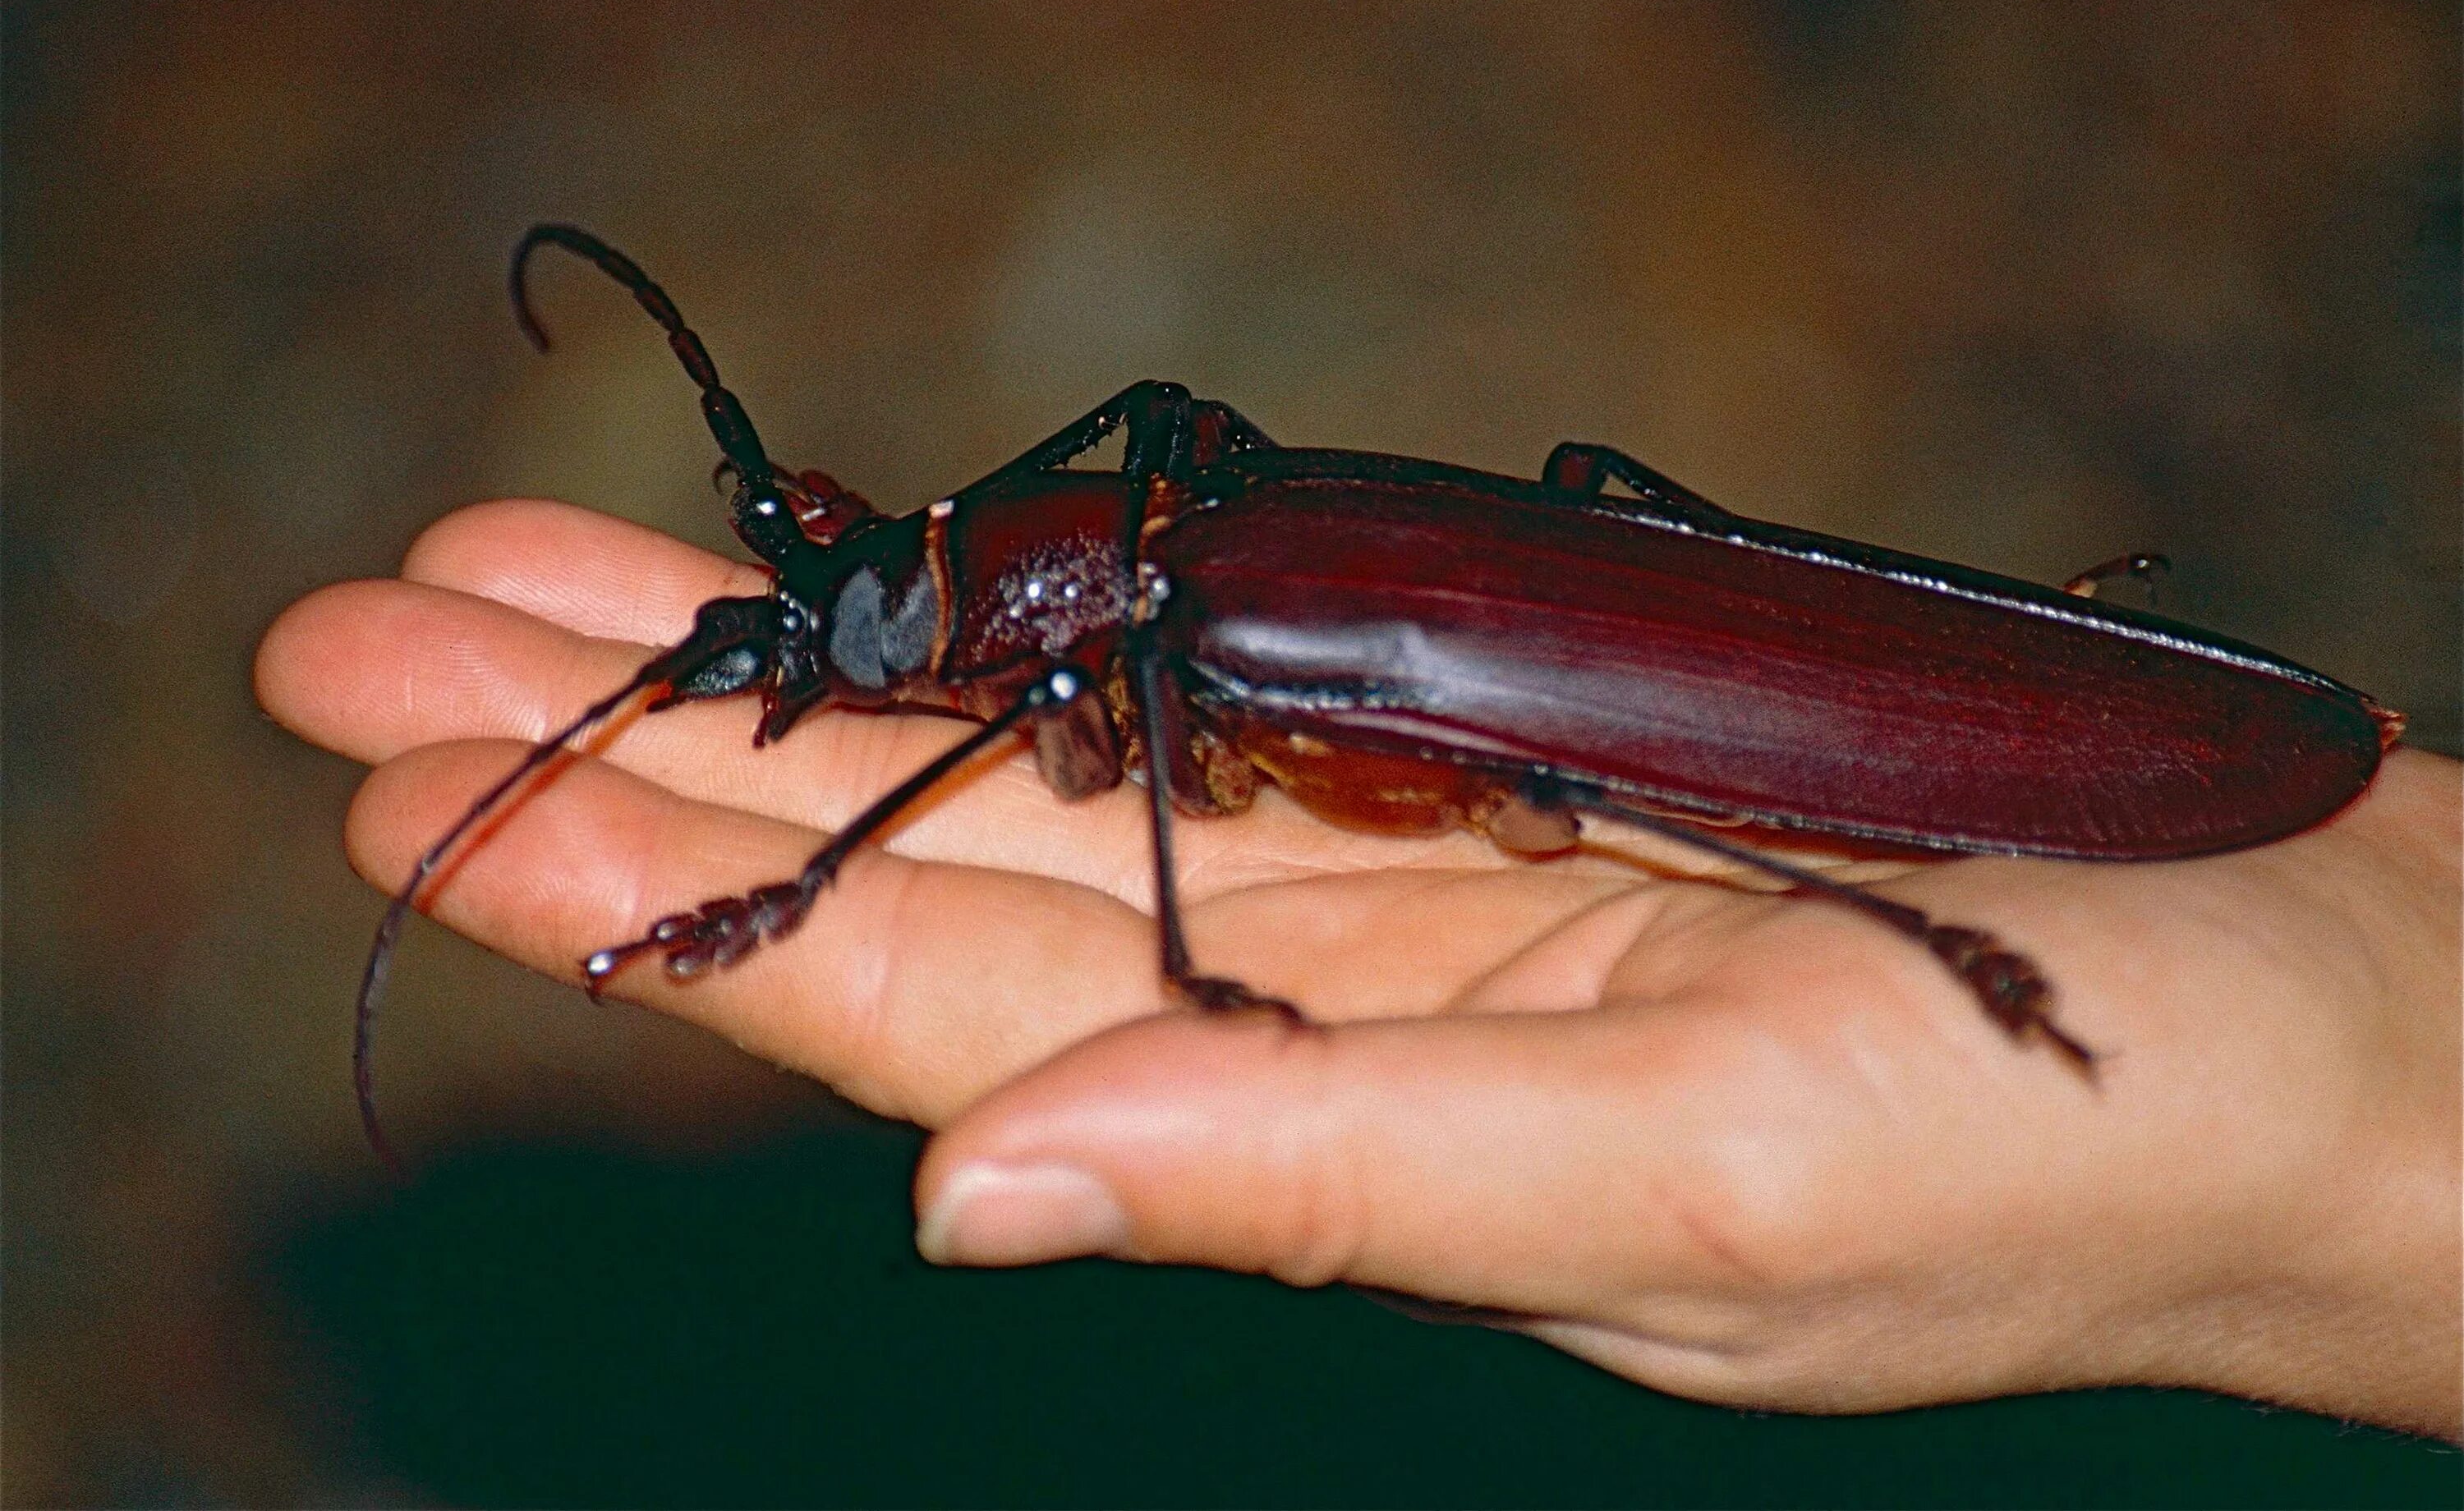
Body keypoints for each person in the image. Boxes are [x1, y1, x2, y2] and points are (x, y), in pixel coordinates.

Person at [255, 497, 2462, 1441]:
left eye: (877, 629)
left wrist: (794, 888)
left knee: (1542, 743)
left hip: (1741, 704)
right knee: (1579, 607)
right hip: (1508, 624)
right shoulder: (1158, 575)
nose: (881, 663)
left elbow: (1099, 718)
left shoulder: (1164, 638)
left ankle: (1918, 885)